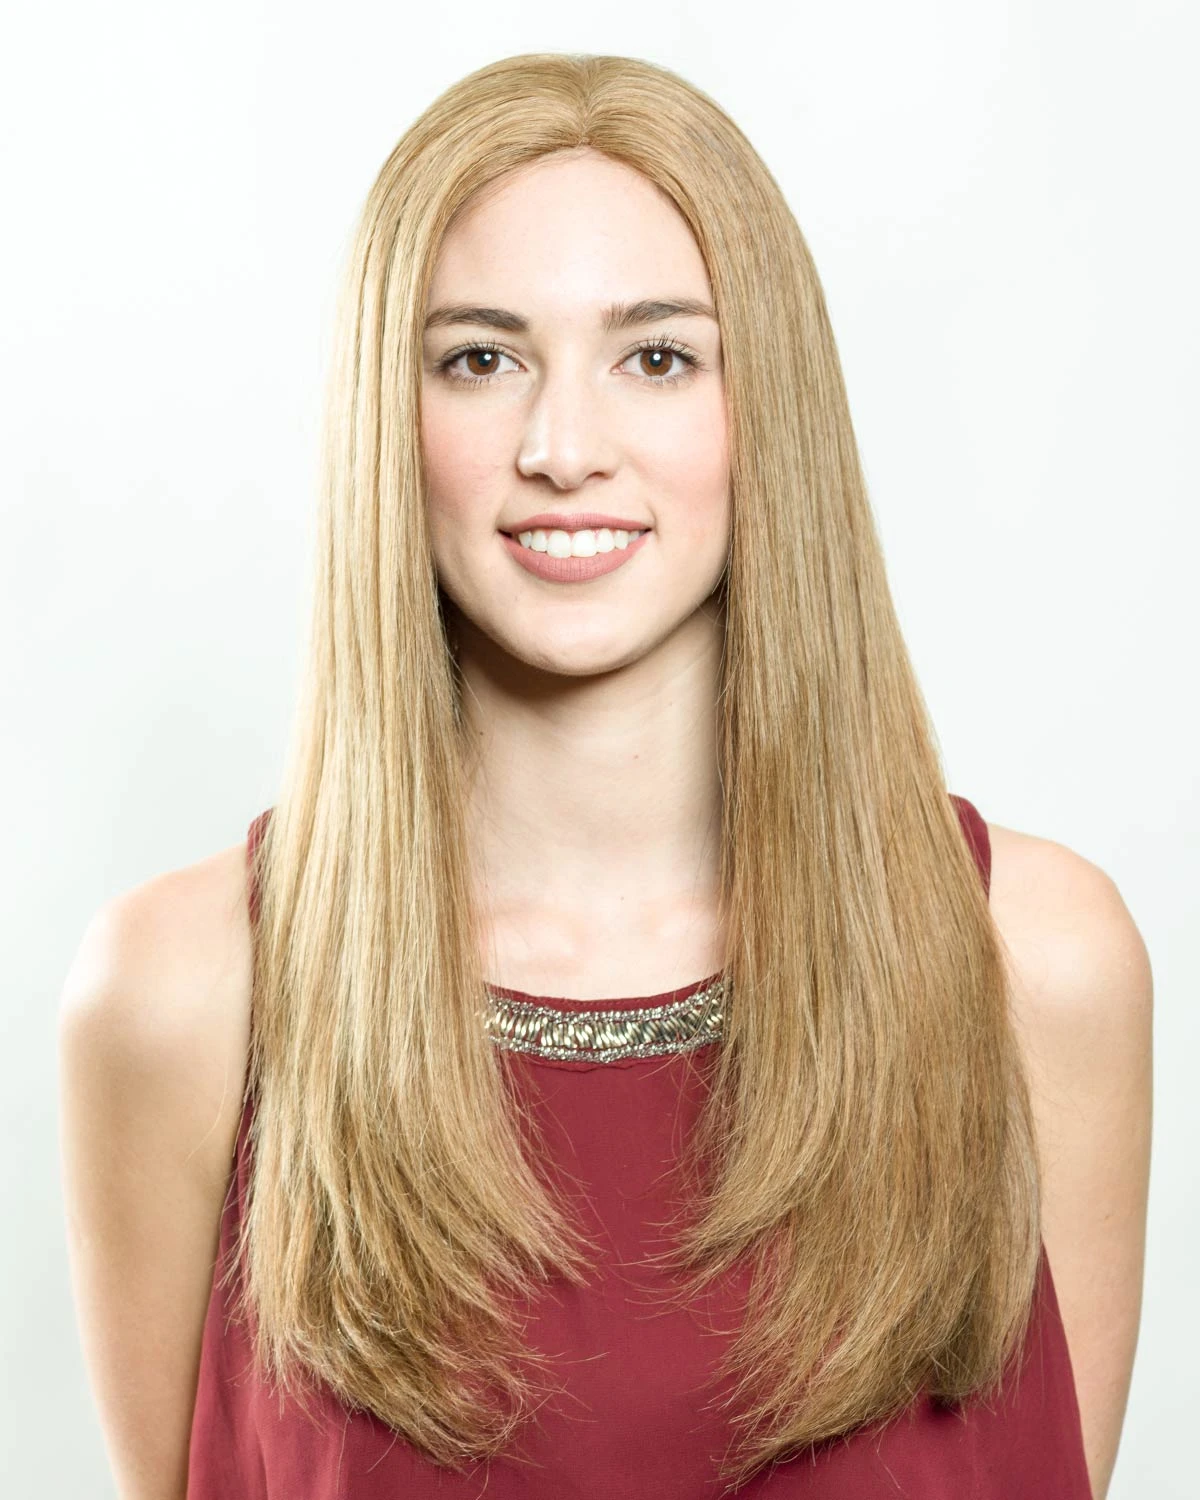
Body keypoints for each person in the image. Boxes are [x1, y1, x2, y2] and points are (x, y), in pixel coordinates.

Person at [57, 52, 1152, 1500]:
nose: (564, 449)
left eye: (657, 358)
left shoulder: (1037, 963)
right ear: (388, 418)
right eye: (479, 359)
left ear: (769, 407)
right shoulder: (183, 994)